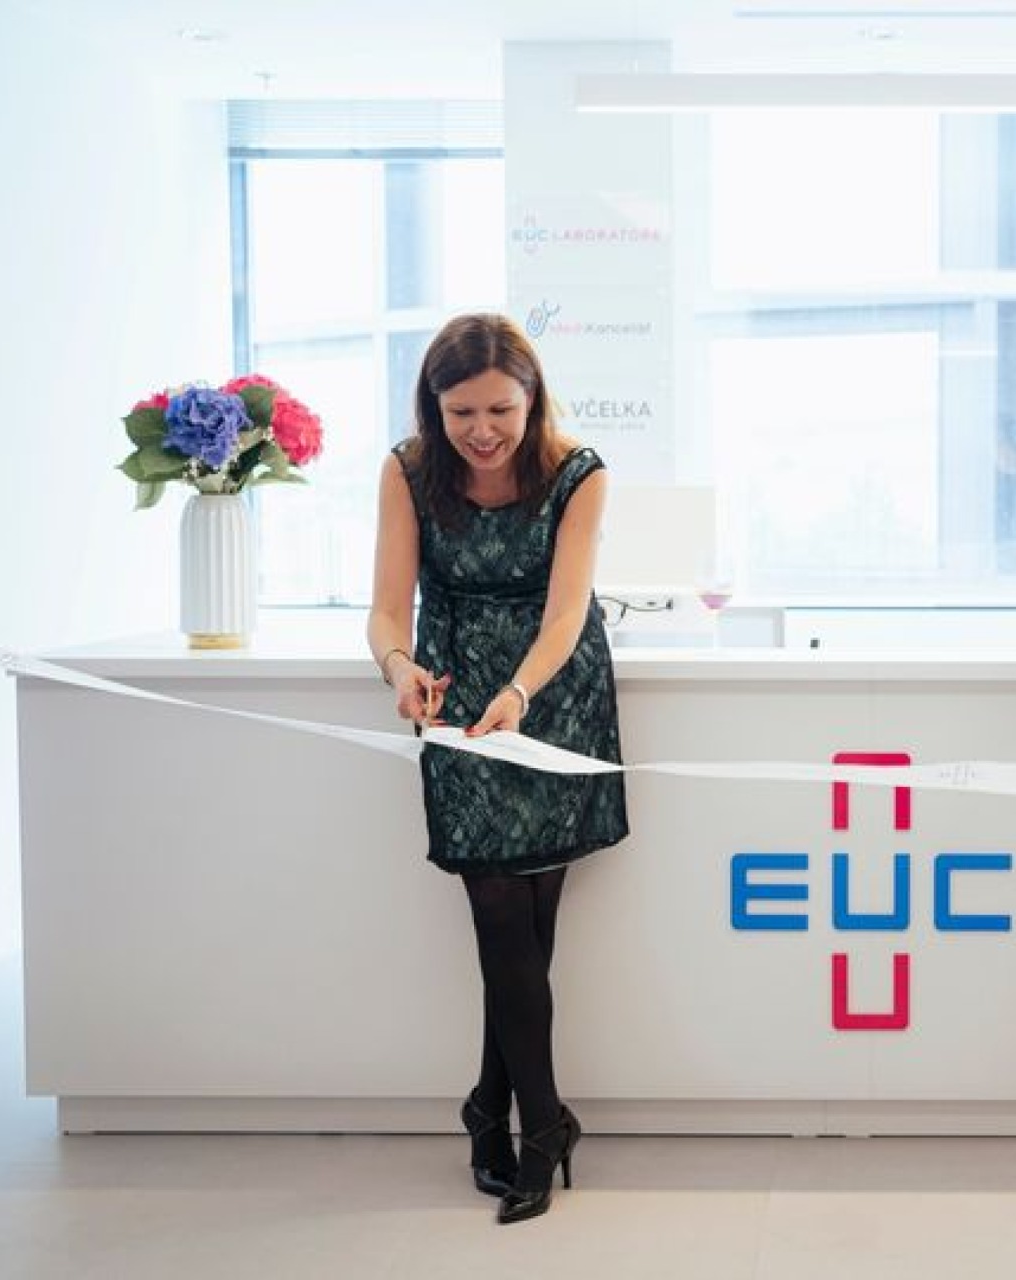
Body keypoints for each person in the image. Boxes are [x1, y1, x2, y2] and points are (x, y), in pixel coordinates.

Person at [367, 313, 628, 1226]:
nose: (481, 431)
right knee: (502, 923)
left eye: (500, 411)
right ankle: (542, 1122)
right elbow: (386, 611)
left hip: (550, 695)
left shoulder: (577, 474)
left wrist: (519, 691)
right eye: (461, 413)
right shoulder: (408, 471)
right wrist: (400, 671)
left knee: (530, 928)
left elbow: (566, 614)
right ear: (432, 408)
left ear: (533, 399)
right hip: (454, 702)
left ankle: (494, 1107)